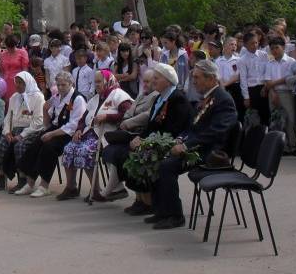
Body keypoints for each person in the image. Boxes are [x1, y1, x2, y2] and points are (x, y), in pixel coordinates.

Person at [148, 60, 237, 229]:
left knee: (167, 166)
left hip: (210, 152)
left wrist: (186, 146)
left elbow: (216, 132)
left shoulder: (223, 99)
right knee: (156, 156)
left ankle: (175, 215)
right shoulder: (208, 97)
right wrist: (181, 139)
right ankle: (162, 210)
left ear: (210, 78)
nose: (193, 81)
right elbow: (193, 127)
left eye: (197, 77)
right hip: (199, 146)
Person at [120, 63, 194, 216]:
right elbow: (151, 124)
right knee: (126, 153)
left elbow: (173, 130)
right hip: (156, 139)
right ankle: (142, 200)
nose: (153, 81)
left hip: (172, 142)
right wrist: (140, 138)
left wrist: (146, 142)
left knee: (143, 156)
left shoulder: (177, 99)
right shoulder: (160, 97)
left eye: (156, 78)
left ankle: (152, 204)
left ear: (167, 81)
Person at [59, 70, 133, 201]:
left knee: (84, 151)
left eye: (99, 81)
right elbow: (83, 118)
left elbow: (128, 115)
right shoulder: (95, 98)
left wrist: (108, 117)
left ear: (107, 81)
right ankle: (71, 188)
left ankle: (95, 190)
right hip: (90, 133)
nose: (96, 85)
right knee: (68, 149)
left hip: (107, 135)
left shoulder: (119, 95)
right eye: (95, 82)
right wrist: (79, 130)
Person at [16, 72, 87, 198]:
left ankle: (44, 185)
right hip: (56, 128)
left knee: (49, 147)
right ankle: (30, 182)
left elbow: (73, 125)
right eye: (58, 85)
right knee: (35, 144)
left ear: (71, 84)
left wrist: (52, 134)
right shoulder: (57, 96)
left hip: (70, 133)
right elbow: (49, 122)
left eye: (63, 85)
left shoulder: (78, 99)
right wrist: (44, 110)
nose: (60, 87)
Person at [96, 70, 159, 202]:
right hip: (129, 132)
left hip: (141, 132)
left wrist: (128, 122)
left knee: (125, 154)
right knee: (110, 150)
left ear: (155, 82)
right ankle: (126, 193)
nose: (145, 84)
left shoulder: (156, 96)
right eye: (144, 81)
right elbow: (129, 111)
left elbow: (148, 114)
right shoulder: (142, 95)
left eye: (147, 82)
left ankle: (143, 200)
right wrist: (126, 121)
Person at [0, 71, 45, 192]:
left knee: (19, 146)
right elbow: (8, 117)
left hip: (31, 131)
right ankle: (0, 178)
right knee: (1, 143)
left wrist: (22, 135)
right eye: (16, 83)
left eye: (21, 83)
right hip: (14, 129)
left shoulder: (38, 97)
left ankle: (23, 179)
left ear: (28, 83)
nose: (18, 85)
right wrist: (7, 132)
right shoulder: (14, 97)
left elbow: (39, 122)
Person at [263, 37, 296, 153]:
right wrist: (273, 92)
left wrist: (272, 83)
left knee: (290, 119)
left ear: (283, 47)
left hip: (287, 93)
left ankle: (292, 145)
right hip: (273, 93)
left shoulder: (291, 61)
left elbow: (287, 78)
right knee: (276, 120)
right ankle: (280, 146)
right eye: (272, 48)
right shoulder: (269, 63)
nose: (274, 51)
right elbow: (267, 81)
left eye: (277, 47)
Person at [240, 28, 270, 125]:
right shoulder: (242, 60)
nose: (254, 45)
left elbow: (267, 72)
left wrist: (266, 87)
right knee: (255, 118)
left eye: (256, 43)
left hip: (263, 88)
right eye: (251, 43)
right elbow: (243, 79)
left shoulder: (264, 55)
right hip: (251, 90)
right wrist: (246, 97)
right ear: (245, 45)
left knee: (266, 115)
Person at [0, 34, 30, 101]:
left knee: (18, 101)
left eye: (12, 47)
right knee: (7, 102)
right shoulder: (2, 55)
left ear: (15, 45)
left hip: (18, 81)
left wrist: (24, 83)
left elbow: (25, 69)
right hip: (5, 82)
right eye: (8, 47)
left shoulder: (22, 53)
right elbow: (2, 70)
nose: (10, 49)